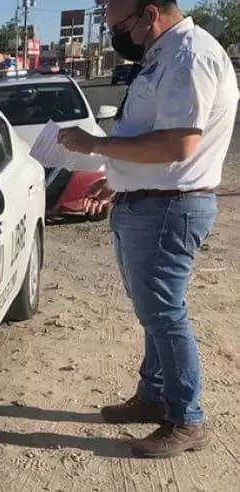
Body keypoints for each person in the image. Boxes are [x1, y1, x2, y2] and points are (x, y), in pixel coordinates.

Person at [57, 0, 239, 458]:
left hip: (168, 209)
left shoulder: (189, 56)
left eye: (118, 25)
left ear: (150, 12)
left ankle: (187, 417)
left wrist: (97, 144)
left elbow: (180, 142)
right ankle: (154, 394)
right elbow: (154, 139)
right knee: (153, 313)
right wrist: (118, 178)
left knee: (164, 314)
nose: (116, 34)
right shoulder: (165, 55)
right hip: (151, 202)